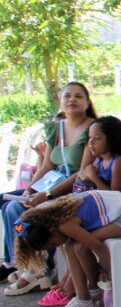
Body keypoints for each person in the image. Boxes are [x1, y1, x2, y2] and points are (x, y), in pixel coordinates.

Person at [1, 81, 97, 292]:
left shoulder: (92, 129)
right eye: (67, 96)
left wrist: (46, 194)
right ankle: (20, 262)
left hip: (76, 188)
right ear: (61, 102)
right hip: (51, 182)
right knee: (8, 203)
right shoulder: (57, 128)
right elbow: (47, 165)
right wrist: (30, 189)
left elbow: (82, 172)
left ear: (87, 102)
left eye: (78, 96)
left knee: (22, 210)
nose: (72, 99)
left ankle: (40, 270)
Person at [14, 190, 121, 307]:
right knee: (71, 246)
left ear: (52, 230)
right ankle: (86, 296)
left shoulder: (64, 224)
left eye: (54, 243)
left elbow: (98, 247)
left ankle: (88, 295)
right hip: (118, 206)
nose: (57, 246)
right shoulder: (51, 217)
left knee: (79, 246)